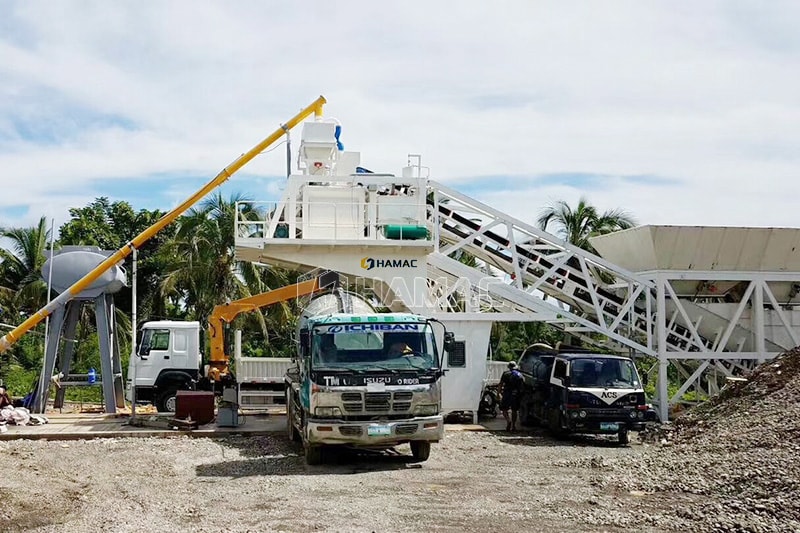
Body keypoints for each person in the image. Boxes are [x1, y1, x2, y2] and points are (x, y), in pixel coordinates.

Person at [499, 361, 524, 431]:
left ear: (509, 367)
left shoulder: (505, 374)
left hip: (507, 393)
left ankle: (508, 420)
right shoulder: (520, 375)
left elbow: (500, 384)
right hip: (515, 394)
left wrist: (498, 393)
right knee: (514, 410)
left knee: (504, 409)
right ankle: (513, 425)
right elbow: (522, 387)